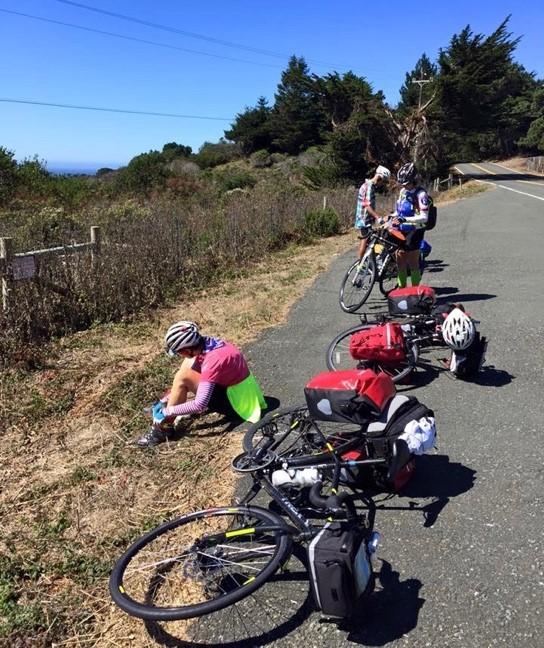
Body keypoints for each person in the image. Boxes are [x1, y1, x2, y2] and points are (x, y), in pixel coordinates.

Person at [137, 321, 267, 447]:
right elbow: (194, 365)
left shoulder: (212, 360)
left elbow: (200, 405)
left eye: (178, 352)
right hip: (241, 391)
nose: (178, 355)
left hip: (239, 404)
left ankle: (163, 430)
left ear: (187, 349)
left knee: (183, 377)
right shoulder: (209, 343)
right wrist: (168, 398)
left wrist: (167, 411)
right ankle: (169, 399)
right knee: (186, 366)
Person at [391, 162, 430, 287]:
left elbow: (424, 218)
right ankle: (401, 289)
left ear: (413, 180)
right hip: (402, 229)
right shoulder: (403, 192)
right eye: (402, 183)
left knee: (413, 262)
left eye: (406, 183)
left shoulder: (421, 194)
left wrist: (405, 220)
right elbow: (399, 211)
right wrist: (391, 217)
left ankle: (415, 291)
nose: (403, 186)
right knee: (399, 260)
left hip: (415, 230)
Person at [354, 165, 391, 260]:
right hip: (364, 219)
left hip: (364, 218)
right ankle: (360, 263)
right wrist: (378, 217)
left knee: (369, 239)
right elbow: (367, 205)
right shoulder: (369, 186)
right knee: (365, 240)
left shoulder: (369, 185)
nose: (383, 184)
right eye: (384, 181)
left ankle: (369, 261)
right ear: (379, 178)